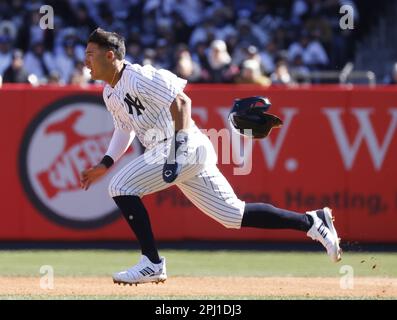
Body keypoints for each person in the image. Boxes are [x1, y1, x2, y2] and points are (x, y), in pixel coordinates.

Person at [80, 28, 342, 286]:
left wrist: (177, 149)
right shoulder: (109, 92)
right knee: (233, 215)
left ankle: (152, 263)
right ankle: (312, 221)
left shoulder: (138, 76)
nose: (85, 60)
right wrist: (106, 163)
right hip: (175, 151)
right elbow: (124, 128)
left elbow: (182, 102)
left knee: (121, 186)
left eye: (91, 53)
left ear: (110, 56)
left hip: (183, 145)